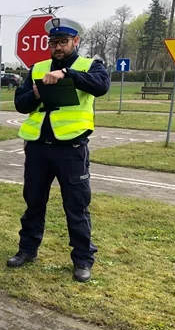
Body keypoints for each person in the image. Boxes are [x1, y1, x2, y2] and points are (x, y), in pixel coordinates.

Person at [9, 17, 110, 283]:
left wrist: (67, 75)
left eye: (63, 42)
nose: (57, 47)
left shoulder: (91, 66)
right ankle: (27, 250)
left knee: (76, 206)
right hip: (38, 148)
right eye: (53, 42)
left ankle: (82, 260)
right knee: (33, 203)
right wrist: (36, 94)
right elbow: (20, 104)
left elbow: (101, 86)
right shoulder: (37, 68)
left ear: (75, 42)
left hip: (71, 148)